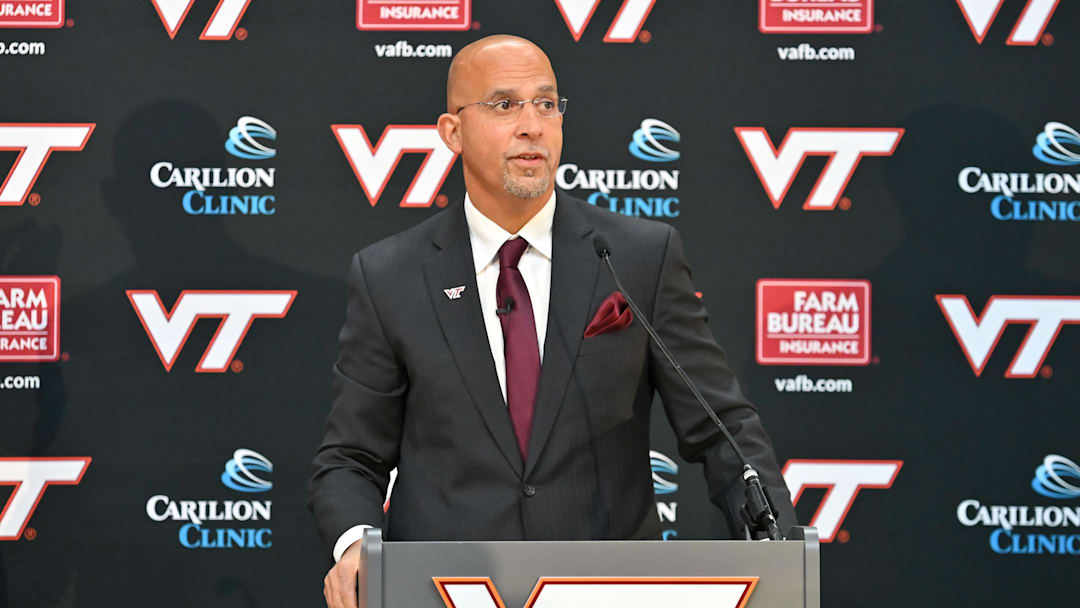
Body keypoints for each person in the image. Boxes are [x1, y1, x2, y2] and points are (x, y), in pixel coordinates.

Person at [309, 35, 797, 608]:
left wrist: (777, 546)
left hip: (607, 591)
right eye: (503, 104)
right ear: (452, 133)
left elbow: (722, 428)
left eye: (546, 104)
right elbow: (350, 457)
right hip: (445, 590)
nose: (531, 125)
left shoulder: (637, 258)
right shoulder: (389, 275)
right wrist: (354, 544)